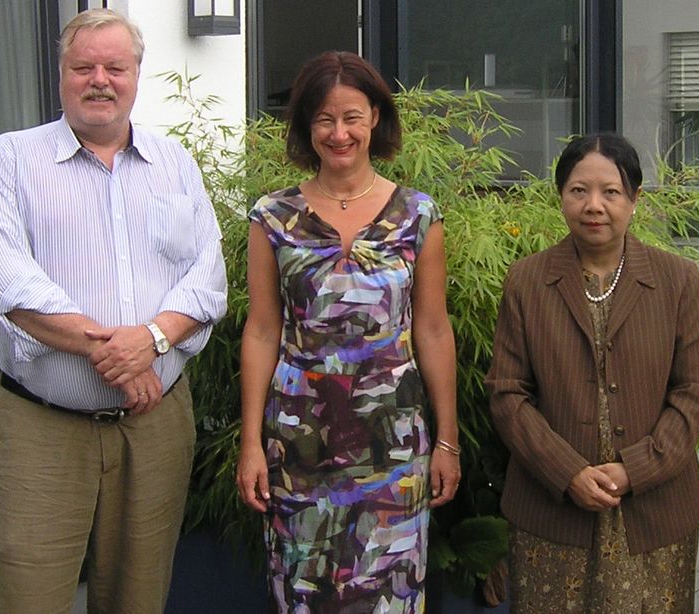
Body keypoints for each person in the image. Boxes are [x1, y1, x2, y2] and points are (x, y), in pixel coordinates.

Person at [0, 8, 228, 614]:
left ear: (138, 74)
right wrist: (119, 353)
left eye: (116, 66)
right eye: (84, 67)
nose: (100, 79)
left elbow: (207, 277)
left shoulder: (175, 165)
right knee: (25, 600)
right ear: (62, 75)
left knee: (138, 599)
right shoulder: (10, 160)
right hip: (41, 430)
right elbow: (10, 284)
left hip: (154, 430)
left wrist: (154, 341)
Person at [235, 51, 459, 613]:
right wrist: (250, 444)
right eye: (325, 120)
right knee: (303, 588)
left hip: (393, 444)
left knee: (390, 591)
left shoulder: (418, 216)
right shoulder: (272, 218)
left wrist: (447, 441)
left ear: (376, 119)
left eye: (353, 117)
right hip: (299, 442)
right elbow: (262, 331)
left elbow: (432, 330)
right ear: (306, 127)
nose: (340, 133)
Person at [486, 133, 699, 613]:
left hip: (654, 512)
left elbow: (693, 391)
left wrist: (637, 469)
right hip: (552, 511)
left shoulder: (676, 279)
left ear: (634, 199)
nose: (594, 205)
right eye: (578, 191)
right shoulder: (528, 279)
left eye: (610, 192)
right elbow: (507, 394)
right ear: (561, 196)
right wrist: (567, 472)